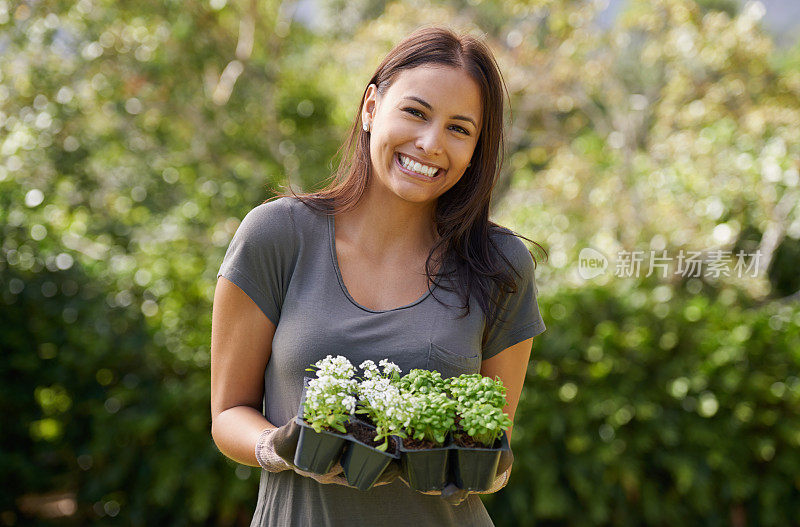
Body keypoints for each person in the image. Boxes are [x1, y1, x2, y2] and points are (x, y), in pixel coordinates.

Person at [210, 25, 546, 526]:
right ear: (371, 109)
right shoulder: (278, 235)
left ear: (477, 148)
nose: (431, 143)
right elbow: (227, 414)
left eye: (460, 128)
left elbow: (496, 445)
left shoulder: (500, 265)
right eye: (415, 112)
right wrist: (281, 448)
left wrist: (488, 468)